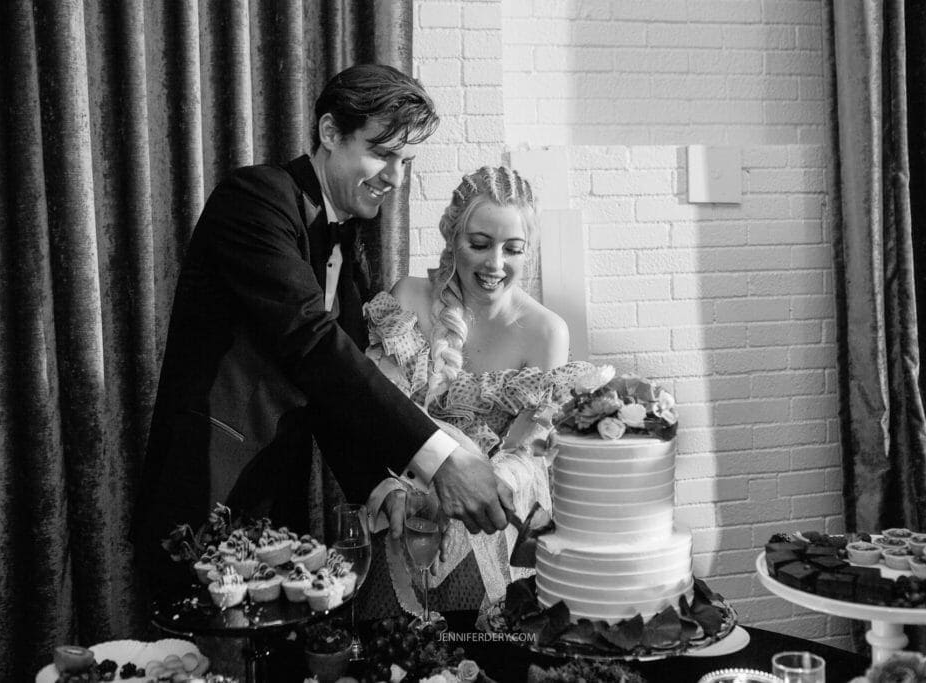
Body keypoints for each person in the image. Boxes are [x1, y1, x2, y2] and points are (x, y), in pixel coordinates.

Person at [132, 64, 513, 594]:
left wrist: (381, 486)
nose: (396, 178)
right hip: (205, 496)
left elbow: (335, 387)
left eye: (406, 161)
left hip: (278, 507)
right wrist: (441, 459)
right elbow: (312, 343)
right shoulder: (255, 198)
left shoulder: (346, 242)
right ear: (331, 133)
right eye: (382, 153)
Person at [357, 166, 590, 618]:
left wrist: (468, 493)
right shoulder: (408, 298)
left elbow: (527, 455)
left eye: (513, 249)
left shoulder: (546, 331)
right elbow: (377, 411)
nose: (496, 264)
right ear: (452, 238)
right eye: (480, 244)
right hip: (403, 523)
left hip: (484, 540)